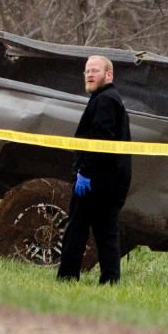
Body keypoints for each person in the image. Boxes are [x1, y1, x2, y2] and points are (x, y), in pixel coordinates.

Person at [57, 55, 132, 284]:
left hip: (96, 180)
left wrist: (85, 172)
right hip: (112, 181)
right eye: (87, 71)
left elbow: (100, 139)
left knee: (77, 230)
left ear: (108, 75)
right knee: (106, 232)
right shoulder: (107, 98)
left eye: (95, 71)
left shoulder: (106, 100)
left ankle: (68, 277)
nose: (89, 74)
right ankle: (110, 280)